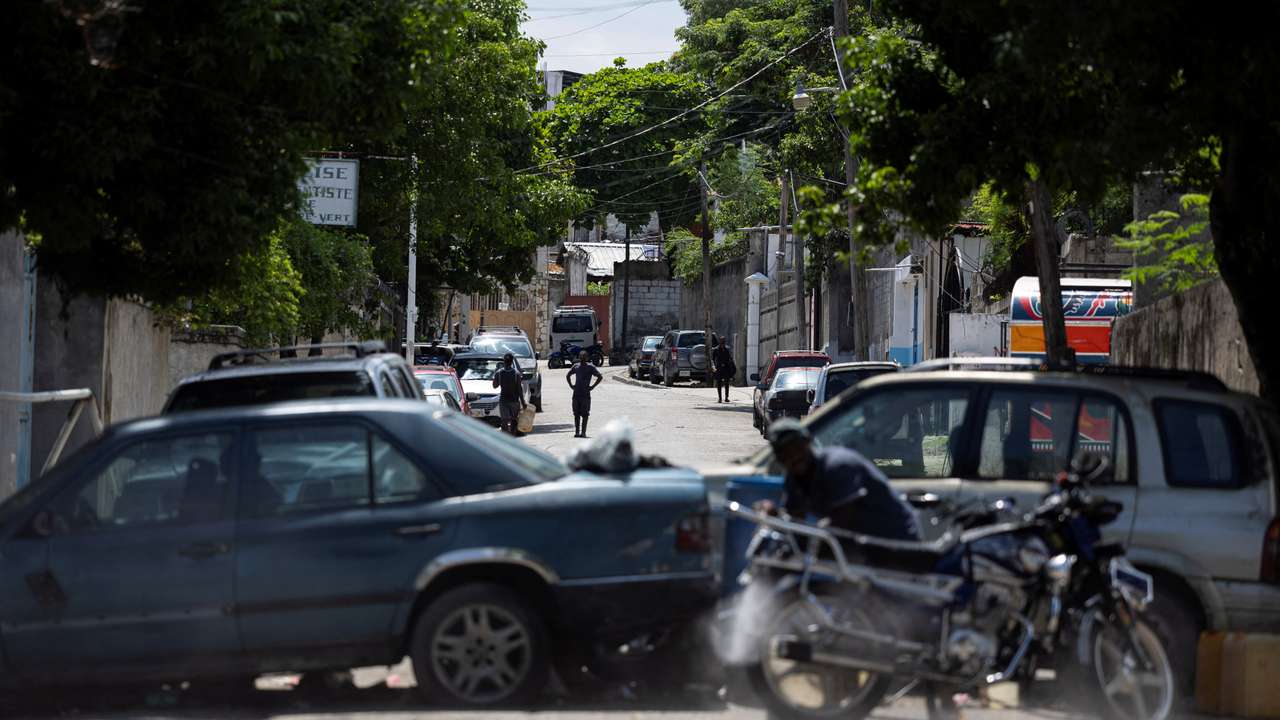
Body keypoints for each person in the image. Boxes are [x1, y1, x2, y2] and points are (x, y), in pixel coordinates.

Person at [763, 419, 920, 541]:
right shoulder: (794, 478)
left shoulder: (837, 466)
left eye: (796, 447)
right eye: (784, 454)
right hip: (861, 546)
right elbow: (794, 520)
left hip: (896, 540)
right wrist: (774, 517)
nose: (793, 457)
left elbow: (842, 523)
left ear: (808, 442)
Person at [566, 350, 603, 438]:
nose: (582, 359)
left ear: (587, 358)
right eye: (581, 357)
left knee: (585, 414)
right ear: (579, 358)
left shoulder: (591, 367)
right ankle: (577, 432)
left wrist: (592, 386)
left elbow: (600, 377)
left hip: (585, 394)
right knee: (576, 414)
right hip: (576, 394)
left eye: (584, 357)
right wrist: (571, 385)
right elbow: (568, 375)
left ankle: (583, 432)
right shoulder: (576, 366)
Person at [492, 352, 526, 435]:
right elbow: (519, 389)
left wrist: (496, 377)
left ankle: (506, 437)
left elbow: (494, 386)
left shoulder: (499, 373)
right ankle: (513, 435)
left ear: (504, 361)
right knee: (514, 420)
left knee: (504, 420)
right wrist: (523, 402)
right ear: (512, 362)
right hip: (514, 401)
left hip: (503, 401)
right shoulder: (516, 374)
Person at [711, 336, 735, 403]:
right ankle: (720, 398)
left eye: (723, 342)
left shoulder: (727, 349)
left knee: (727, 383)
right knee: (719, 383)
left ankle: (726, 397)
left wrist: (731, 367)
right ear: (719, 342)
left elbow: (730, 358)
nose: (722, 344)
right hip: (719, 368)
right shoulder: (716, 349)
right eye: (721, 342)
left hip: (726, 367)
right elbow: (712, 359)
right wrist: (713, 367)